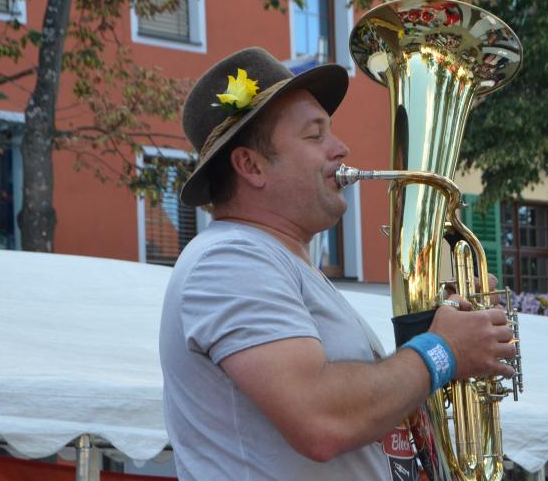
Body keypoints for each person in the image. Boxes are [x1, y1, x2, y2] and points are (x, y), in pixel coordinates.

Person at [159, 48, 516, 480]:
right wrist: (444, 350)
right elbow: (321, 420)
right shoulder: (229, 260)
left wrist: (444, 330)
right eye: (315, 136)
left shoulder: (285, 267)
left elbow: (370, 422)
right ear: (250, 165)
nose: (341, 148)